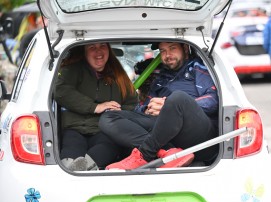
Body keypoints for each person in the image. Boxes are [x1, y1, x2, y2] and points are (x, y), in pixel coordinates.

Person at [99, 42, 219, 170]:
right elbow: (143, 107)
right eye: (163, 51)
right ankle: (168, 152)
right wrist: (148, 109)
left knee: (178, 98)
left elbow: (213, 100)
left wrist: (169, 106)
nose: (167, 55)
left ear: (184, 48)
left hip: (197, 134)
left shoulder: (197, 66)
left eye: (172, 48)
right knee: (108, 117)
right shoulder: (161, 77)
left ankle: (144, 154)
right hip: (166, 133)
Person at [54, 43, 138, 171]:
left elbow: (132, 104)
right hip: (74, 128)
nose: (98, 52)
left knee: (110, 145)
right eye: (92, 47)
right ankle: (71, 168)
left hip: (104, 130)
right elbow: (60, 91)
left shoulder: (119, 75)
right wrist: (95, 107)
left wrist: (120, 112)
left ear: (109, 50)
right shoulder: (72, 70)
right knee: (72, 145)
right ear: (84, 52)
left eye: (102, 46)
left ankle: (85, 168)